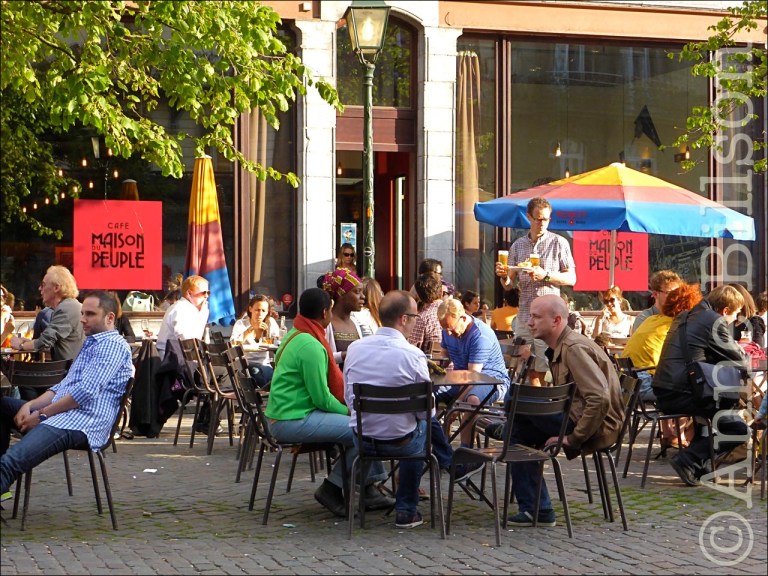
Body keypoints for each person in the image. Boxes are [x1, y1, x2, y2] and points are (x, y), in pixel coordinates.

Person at [264, 288, 392, 517]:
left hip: (289, 413)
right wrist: (350, 411)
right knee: (365, 431)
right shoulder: (311, 346)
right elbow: (322, 399)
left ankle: (368, 489)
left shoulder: (296, 334)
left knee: (364, 427)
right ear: (325, 313)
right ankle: (332, 489)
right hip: (291, 419)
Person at [506, 294, 624, 527]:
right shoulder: (564, 345)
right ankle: (537, 509)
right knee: (519, 422)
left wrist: (573, 438)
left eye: (536, 317)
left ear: (557, 320)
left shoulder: (573, 348)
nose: (530, 322)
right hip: (582, 418)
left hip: (594, 427)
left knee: (516, 409)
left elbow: (599, 399)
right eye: (530, 316)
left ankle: (537, 509)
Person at [0, 290, 134, 496]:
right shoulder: (92, 342)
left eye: (90, 314)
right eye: (82, 313)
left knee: (10, 462)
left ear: (109, 318)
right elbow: (63, 386)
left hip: (83, 423)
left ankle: (3, 476)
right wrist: (30, 405)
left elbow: (84, 393)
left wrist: (42, 414)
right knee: (2, 406)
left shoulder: (112, 346)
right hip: (61, 415)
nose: (82, 319)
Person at [344, 290, 453, 529]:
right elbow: (426, 413)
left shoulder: (354, 349)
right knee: (424, 424)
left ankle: (449, 463)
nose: (416, 322)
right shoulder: (413, 355)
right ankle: (407, 509)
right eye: (415, 316)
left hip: (362, 439)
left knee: (418, 423)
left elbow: (348, 399)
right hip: (401, 443)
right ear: (404, 319)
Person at [652, 285, 751, 486]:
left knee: (718, 407)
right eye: (736, 314)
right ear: (725, 311)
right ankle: (689, 459)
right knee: (738, 428)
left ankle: (700, 463)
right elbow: (741, 360)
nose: (736, 319)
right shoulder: (714, 321)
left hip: (665, 389)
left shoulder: (686, 315)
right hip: (682, 393)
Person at [495, 197, 576, 386]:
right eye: (538, 219)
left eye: (546, 219)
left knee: (546, 367)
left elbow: (572, 278)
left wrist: (545, 275)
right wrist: (503, 275)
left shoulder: (559, 242)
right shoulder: (518, 245)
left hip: (548, 317)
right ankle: (533, 405)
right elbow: (508, 285)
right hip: (525, 315)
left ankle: (545, 405)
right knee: (525, 367)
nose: (542, 224)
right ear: (529, 217)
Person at [437, 298, 510, 449]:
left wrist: (454, 408)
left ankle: (466, 452)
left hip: (491, 380)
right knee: (427, 393)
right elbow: (444, 359)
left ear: (463, 318)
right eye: (445, 329)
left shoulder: (480, 335)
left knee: (472, 400)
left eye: (451, 328)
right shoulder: (448, 330)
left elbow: (473, 377)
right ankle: (438, 446)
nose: (448, 333)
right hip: (461, 379)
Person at [10, 266, 84, 365]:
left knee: (14, 374)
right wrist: (28, 342)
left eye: (43, 285)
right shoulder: (70, 306)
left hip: (69, 373)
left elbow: (46, 340)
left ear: (56, 288)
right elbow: (56, 342)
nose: (40, 288)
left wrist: (21, 346)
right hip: (70, 369)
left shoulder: (66, 309)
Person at [155, 275, 209, 359]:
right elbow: (187, 342)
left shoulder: (187, 308)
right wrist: (202, 317)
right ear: (189, 293)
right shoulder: (182, 309)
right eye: (203, 293)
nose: (206, 296)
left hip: (179, 359)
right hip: (173, 362)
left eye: (208, 293)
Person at [229, 294, 279, 385]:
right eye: (257, 310)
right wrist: (250, 330)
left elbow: (278, 343)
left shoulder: (270, 322)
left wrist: (266, 335)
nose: (260, 314)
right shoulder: (241, 323)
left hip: (264, 363)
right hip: (245, 364)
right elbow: (233, 345)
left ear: (267, 312)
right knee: (257, 374)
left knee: (273, 376)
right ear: (250, 309)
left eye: (263, 311)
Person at [322, 268, 365, 366]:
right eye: (357, 292)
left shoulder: (355, 322)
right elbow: (320, 357)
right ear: (342, 294)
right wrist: (343, 355)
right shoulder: (326, 323)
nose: (363, 297)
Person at [408, 272, 443, 354]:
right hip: (457, 364)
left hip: (431, 365)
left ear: (419, 296)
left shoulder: (421, 318)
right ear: (441, 292)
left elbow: (412, 350)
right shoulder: (454, 312)